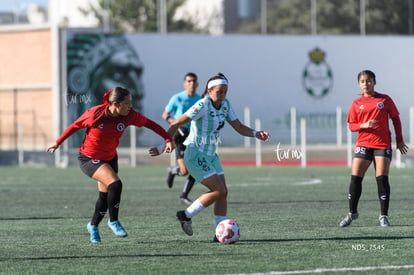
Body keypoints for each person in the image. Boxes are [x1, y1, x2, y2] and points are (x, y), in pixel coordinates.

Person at [47, 87, 173, 243]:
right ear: (115, 104)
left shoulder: (129, 115)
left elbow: (150, 124)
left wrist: (168, 139)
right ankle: (113, 221)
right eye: (127, 103)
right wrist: (57, 142)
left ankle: (92, 225)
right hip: (89, 159)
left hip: (110, 158)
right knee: (115, 184)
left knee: (105, 196)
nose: (130, 107)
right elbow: (75, 126)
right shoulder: (95, 114)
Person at [162, 73, 270, 241]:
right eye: (219, 91)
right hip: (195, 153)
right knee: (219, 190)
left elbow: (239, 126)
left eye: (225, 91)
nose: (222, 95)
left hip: (212, 155)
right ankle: (185, 214)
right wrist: (167, 142)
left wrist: (256, 133)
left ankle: (218, 233)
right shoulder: (202, 105)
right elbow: (176, 122)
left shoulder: (225, 105)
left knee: (223, 193)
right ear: (209, 90)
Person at [339, 70, 408, 227]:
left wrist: (400, 140)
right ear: (359, 84)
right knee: (355, 178)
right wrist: (364, 125)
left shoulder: (384, 99)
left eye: (369, 80)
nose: (366, 84)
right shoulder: (356, 104)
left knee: (382, 179)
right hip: (363, 144)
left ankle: (383, 216)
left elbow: (396, 119)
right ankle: (352, 213)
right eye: (363, 81)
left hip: (382, 144)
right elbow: (351, 125)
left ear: (374, 82)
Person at [162, 72, 201, 205]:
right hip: (180, 134)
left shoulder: (200, 99)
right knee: (184, 171)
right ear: (184, 84)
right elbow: (165, 114)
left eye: (193, 81)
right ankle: (173, 171)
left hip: (194, 134)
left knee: (196, 167)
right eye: (188, 81)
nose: (191, 84)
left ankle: (184, 195)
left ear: (197, 84)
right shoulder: (177, 98)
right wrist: (173, 121)